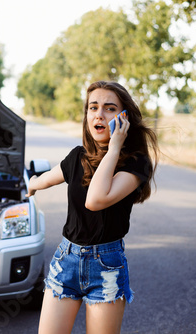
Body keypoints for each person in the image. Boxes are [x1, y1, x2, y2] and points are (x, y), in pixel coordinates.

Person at [27, 81, 159, 334]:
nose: (99, 114)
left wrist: (115, 147)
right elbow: (45, 179)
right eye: (93, 107)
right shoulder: (77, 156)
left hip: (106, 266)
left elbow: (95, 199)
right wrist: (31, 185)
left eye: (109, 108)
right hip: (66, 260)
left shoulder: (136, 163)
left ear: (124, 118)